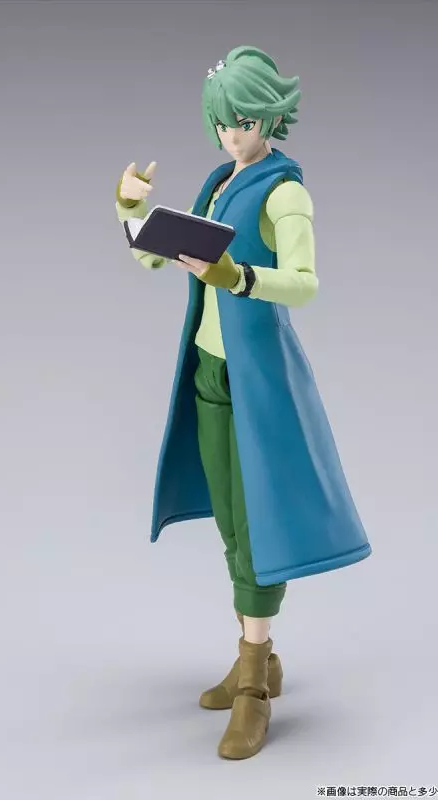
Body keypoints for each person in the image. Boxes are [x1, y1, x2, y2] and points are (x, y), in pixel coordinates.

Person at [114, 45, 372, 760]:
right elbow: (153, 256)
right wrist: (131, 208)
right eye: (224, 121)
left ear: (271, 118)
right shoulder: (218, 182)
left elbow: (304, 283)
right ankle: (258, 656)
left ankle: (254, 682)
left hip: (255, 381)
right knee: (232, 520)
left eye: (246, 121)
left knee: (257, 529)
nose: (234, 133)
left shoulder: (284, 193)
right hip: (207, 371)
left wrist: (238, 277)